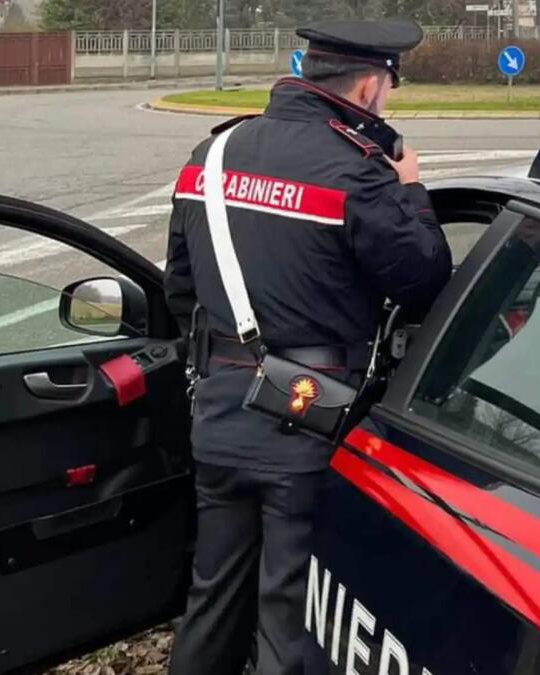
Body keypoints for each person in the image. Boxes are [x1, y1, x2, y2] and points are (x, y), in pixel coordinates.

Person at [162, 18, 451, 675]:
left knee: (212, 596)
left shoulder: (210, 156)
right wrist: (409, 186)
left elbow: (180, 289)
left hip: (217, 413)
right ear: (372, 85)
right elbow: (425, 277)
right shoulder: (357, 172)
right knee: (286, 614)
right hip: (305, 423)